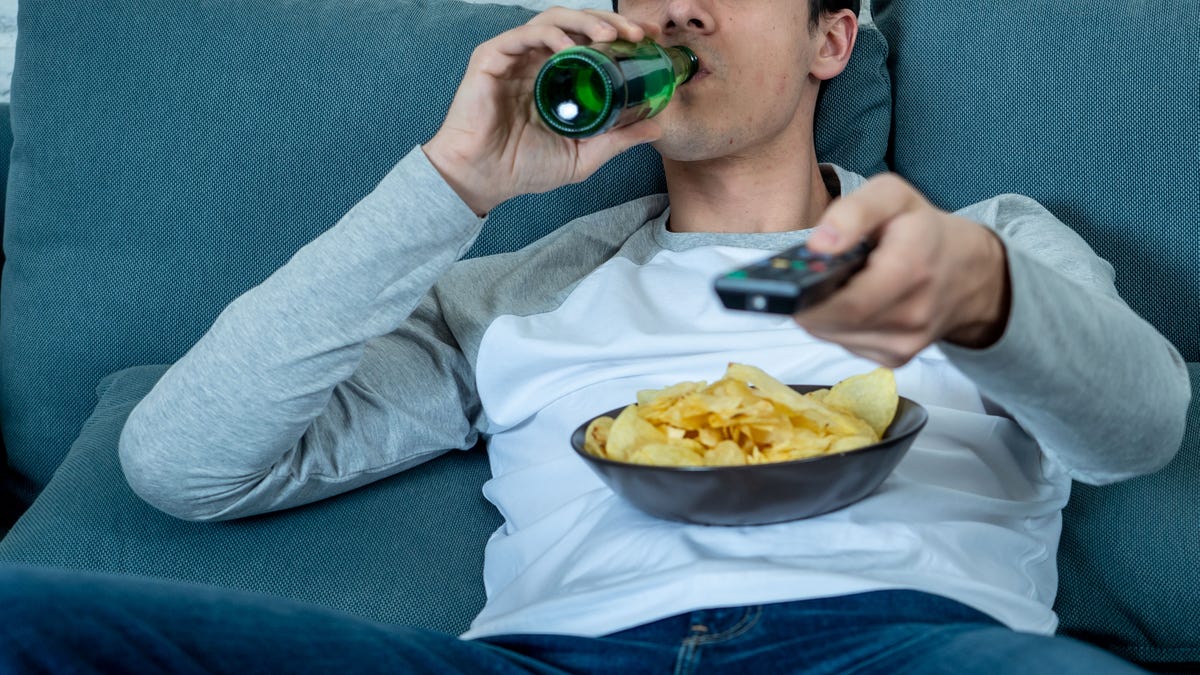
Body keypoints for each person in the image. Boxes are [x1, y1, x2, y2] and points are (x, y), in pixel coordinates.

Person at [1, 0, 1190, 672]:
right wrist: (453, 180)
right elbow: (182, 465)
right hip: (558, 660)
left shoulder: (981, 241)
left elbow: (1137, 428)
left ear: (833, 40)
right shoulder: (514, 291)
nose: (676, 7)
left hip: (903, 648)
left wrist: (978, 292)